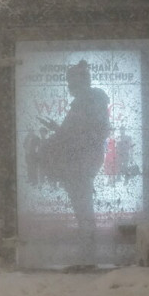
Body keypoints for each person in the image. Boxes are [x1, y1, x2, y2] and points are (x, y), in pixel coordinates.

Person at [37, 60, 110, 233]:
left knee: (82, 203)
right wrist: (58, 130)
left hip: (81, 159)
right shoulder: (88, 102)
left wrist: (59, 134)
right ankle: (87, 235)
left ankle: (88, 238)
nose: (69, 86)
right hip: (82, 158)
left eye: (71, 82)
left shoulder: (88, 102)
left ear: (79, 82)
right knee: (82, 202)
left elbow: (83, 134)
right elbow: (77, 132)